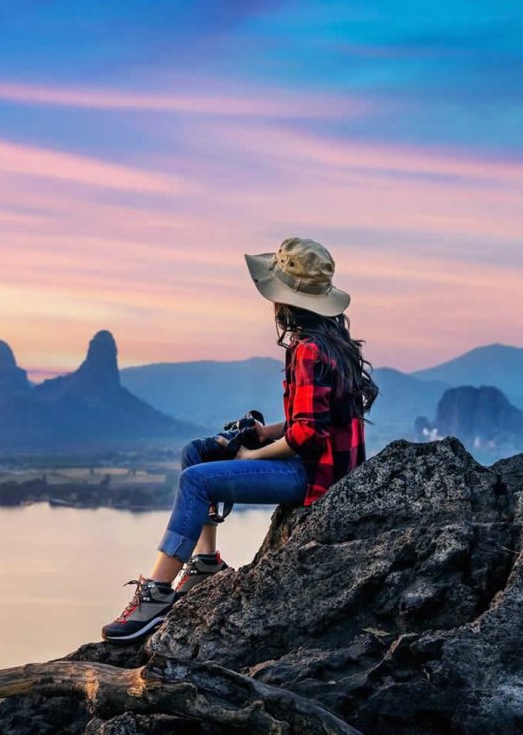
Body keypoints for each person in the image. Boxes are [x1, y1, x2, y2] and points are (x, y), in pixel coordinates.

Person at [101, 237, 379, 642]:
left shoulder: (307, 350)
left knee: (195, 480)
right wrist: (268, 432)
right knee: (195, 453)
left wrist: (254, 454)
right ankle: (205, 563)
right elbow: (315, 418)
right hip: (322, 464)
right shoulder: (331, 344)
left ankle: (157, 595)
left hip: (316, 476)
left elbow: (309, 435)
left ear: (284, 301)